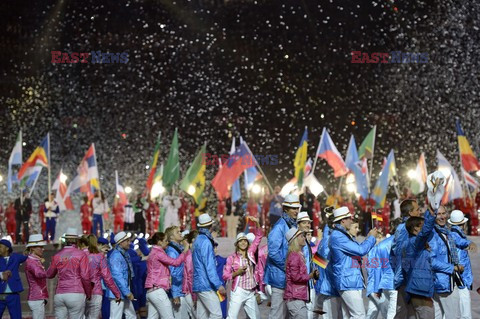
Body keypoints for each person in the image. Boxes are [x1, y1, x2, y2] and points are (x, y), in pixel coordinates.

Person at [329, 206, 377, 319]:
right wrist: (371, 238)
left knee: (349, 316)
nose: (351, 220)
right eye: (349, 218)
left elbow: (358, 249)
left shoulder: (342, 235)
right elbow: (361, 251)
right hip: (347, 281)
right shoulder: (338, 236)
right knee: (359, 315)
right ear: (342, 220)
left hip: (349, 279)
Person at [264, 193, 301, 318]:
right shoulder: (279, 227)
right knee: (277, 314)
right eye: (293, 208)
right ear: (285, 209)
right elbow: (273, 252)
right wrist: (287, 266)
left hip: (289, 278)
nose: (296, 211)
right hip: (279, 278)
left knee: (289, 314)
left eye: (297, 208)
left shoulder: (292, 225)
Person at [46, 227, 92, 319]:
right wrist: (88, 293)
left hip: (59, 295)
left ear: (65, 240)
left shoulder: (57, 255)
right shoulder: (81, 254)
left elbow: (49, 274)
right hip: (76, 293)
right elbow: (85, 276)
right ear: (77, 241)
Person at [429, 206, 465, 319]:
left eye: (444, 213)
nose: (442, 217)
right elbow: (431, 261)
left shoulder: (446, 232)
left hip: (446, 281)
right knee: (454, 316)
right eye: (438, 214)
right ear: (433, 216)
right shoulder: (433, 235)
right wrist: (452, 268)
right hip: (443, 283)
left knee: (438, 316)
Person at [223, 217, 263, 319]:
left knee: (256, 317)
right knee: (231, 317)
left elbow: (259, 236)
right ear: (237, 244)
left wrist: (257, 223)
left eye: (245, 241)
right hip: (238, 291)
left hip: (250, 291)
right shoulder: (232, 258)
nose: (243, 243)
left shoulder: (250, 253)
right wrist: (237, 272)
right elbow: (225, 275)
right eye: (241, 241)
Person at [402, 209, 437, 318]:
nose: (424, 231)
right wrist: (431, 215)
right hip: (420, 290)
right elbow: (425, 232)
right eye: (421, 226)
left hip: (417, 288)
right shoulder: (414, 243)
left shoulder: (415, 244)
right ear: (415, 229)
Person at [145, 231, 188, 319]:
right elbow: (175, 262)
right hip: (158, 290)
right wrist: (185, 251)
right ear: (160, 242)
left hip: (151, 291)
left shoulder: (153, 252)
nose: (167, 243)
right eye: (165, 241)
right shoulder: (158, 253)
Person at [391, 199, 422, 319]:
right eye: (417, 209)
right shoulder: (405, 229)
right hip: (406, 277)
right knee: (403, 312)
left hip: (408, 275)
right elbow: (402, 252)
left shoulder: (404, 227)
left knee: (410, 313)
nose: (420, 212)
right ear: (410, 212)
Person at [193, 213, 226, 319]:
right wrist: (218, 285)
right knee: (217, 314)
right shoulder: (206, 242)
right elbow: (209, 266)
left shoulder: (198, 240)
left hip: (199, 283)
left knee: (202, 316)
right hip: (206, 284)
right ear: (211, 226)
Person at [81, 234, 121, 319]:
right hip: (96, 292)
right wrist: (116, 293)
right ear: (96, 243)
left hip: (80, 292)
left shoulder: (79, 255)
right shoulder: (99, 256)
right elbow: (107, 277)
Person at [284, 227, 319, 318]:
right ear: (295, 240)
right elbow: (295, 277)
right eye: (301, 236)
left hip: (299, 295)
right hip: (295, 296)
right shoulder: (294, 256)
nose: (304, 238)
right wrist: (310, 275)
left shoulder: (299, 254)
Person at [448, 210, 475, 319]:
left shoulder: (455, 233)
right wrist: (469, 243)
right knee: (464, 307)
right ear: (463, 224)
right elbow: (459, 241)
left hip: (460, 274)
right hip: (461, 275)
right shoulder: (455, 234)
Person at [365, 229, 397, 319]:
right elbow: (372, 270)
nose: (380, 239)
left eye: (380, 237)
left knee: (373, 311)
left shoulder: (377, 250)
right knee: (386, 312)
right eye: (377, 237)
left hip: (376, 286)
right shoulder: (374, 251)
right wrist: (376, 288)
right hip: (376, 286)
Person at [106, 231, 136, 319]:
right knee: (116, 317)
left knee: (131, 316)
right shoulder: (116, 256)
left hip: (122, 291)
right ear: (121, 242)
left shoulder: (123, 254)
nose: (129, 243)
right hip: (117, 293)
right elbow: (117, 276)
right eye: (127, 241)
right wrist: (127, 292)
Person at [165, 226, 190, 318]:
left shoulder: (179, 248)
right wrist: (175, 293)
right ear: (171, 237)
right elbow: (171, 274)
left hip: (182, 289)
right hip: (177, 291)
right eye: (177, 232)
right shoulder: (171, 251)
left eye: (180, 231)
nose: (180, 233)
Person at [0, 239, 27, 319]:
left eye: (0, 247)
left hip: (13, 294)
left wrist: (28, 252)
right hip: (0, 293)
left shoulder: (15, 257)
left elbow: (27, 256)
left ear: (7, 248)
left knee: (16, 316)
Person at [296, 211, 315, 319]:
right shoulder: (296, 240)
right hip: (300, 284)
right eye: (304, 223)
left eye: (309, 223)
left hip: (310, 283)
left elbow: (310, 260)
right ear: (298, 224)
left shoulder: (306, 241)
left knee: (309, 313)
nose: (308, 225)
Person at [25, 234, 48, 319]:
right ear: (32, 248)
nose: (43, 249)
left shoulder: (34, 260)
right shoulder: (31, 261)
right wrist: (52, 269)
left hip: (38, 297)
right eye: (40, 247)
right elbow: (38, 274)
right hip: (36, 297)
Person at [183, 230, 198, 319]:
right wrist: (194, 297)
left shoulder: (192, 254)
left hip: (191, 291)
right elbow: (189, 277)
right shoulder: (189, 256)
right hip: (189, 291)